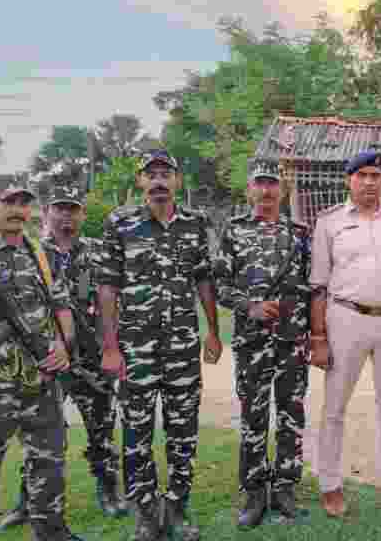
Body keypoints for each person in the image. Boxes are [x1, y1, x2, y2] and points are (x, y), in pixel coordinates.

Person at [98, 149, 222, 541]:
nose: (158, 180)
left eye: (165, 173)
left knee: (182, 432)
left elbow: (204, 280)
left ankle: (178, 510)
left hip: (183, 347)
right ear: (140, 182)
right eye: (150, 174)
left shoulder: (194, 224)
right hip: (135, 349)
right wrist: (111, 346)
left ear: (177, 181)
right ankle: (146, 514)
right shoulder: (120, 223)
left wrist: (214, 332)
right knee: (136, 431)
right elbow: (107, 286)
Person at [0, 184, 126, 531]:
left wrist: (109, 347)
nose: (66, 215)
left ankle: (108, 490)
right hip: (47, 359)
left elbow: (111, 300)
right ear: (48, 212)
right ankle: (29, 501)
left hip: (90, 358)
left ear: (81, 214)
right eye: (60, 208)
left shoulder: (97, 252)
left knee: (101, 429)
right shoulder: (31, 251)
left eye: (73, 209)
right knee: (39, 434)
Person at [309, 151, 381, 518]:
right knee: (335, 407)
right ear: (349, 180)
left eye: (376, 175)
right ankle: (329, 484)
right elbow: (319, 285)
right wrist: (319, 337)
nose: (370, 182)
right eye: (362, 176)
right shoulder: (330, 223)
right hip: (347, 319)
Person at [0, 175, 84, 541]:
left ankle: (51, 533)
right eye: (8, 201)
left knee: (49, 465)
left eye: (23, 203)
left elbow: (61, 305)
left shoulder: (39, 252)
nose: (18, 210)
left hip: (41, 381)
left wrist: (64, 347)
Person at [214, 162, 312, 528]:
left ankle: (285, 489)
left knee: (291, 414)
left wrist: (314, 333)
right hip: (252, 340)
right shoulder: (233, 231)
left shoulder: (301, 233)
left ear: (283, 191)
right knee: (253, 416)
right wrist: (250, 307)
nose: (267, 190)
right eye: (260, 183)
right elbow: (220, 285)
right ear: (249, 189)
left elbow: (313, 285)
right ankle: (254, 493)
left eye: (273, 184)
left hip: (292, 339)